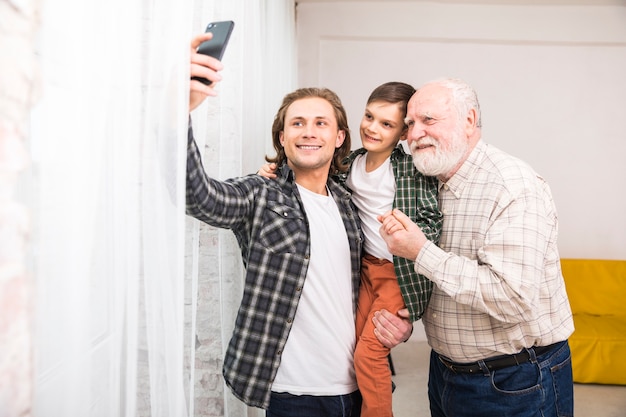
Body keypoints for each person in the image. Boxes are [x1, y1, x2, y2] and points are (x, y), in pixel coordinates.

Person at [187, 32, 412, 416]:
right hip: (293, 395)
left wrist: (400, 323)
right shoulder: (261, 194)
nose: (309, 131)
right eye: (298, 123)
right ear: (283, 136)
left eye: (321, 123)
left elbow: (370, 278)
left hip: (357, 386)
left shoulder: (348, 202)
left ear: (339, 137)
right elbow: (200, 197)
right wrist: (181, 114)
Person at [376, 77, 575, 417]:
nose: (413, 134)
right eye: (409, 124)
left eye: (428, 120)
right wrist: (409, 316)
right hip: (444, 372)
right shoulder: (427, 183)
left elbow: (512, 298)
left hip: (516, 380)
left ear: (469, 121)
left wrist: (421, 251)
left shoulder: (512, 185)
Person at [260, 81, 443, 417]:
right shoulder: (352, 164)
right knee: (353, 345)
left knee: (369, 353)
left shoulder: (408, 169)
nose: (372, 128)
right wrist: (273, 172)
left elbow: (433, 217)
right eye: (370, 116)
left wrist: (410, 233)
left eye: (386, 124)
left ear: (403, 133)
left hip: (396, 272)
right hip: (364, 269)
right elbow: (309, 174)